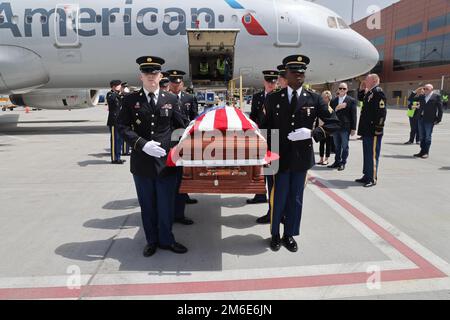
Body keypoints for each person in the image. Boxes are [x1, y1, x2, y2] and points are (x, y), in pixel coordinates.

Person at [263, 55, 340, 252]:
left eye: (302, 72)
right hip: (278, 157)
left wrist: (313, 133)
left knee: (295, 198)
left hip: (300, 157)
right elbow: (265, 128)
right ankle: (274, 234)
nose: (299, 76)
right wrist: (265, 154)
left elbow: (334, 122)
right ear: (286, 75)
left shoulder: (314, 98)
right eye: (295, 72)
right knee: (277, 197)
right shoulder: (273, 98)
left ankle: (289, 234)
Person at [117, 56, 189, 257]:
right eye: (147, 73)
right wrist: (142, 144)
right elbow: (122, 126)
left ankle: (167, 240)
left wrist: (173, 147)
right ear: (141, 76)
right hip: (142, 163)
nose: (151, 76)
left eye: (154, 73)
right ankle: (152, 241)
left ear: (160, 76)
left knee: (166, 206)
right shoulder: (130, 100)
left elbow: (182, 127)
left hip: (166, 163)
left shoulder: (171, 99)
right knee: (147, 206)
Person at [167, 70, 199, 225]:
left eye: (178, 82)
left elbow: (194, 119)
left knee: (182, 178)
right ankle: (168, 212)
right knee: (168, 180)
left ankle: (179, 214)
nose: (176, 85)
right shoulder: (163, 98)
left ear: (182, 84)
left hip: (184, 143)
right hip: (168, 144)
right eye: (173, 82)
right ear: (169, 84)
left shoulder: (189, 98)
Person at [247, 70, 278, 207]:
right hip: (260, 136)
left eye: (274, 81)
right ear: (264, 82)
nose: (271, 84)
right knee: (259, 167)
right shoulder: (257, 97)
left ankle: (272, 201)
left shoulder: (279, 96)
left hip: (275, 137)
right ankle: (260, 194)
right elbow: (253, 115)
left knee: (271, 171)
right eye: (269, 81)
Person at [355, 74, 387, 188]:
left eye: (367, 80)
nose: (365, 81)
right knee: (367, 154)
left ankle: (372, 178)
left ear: (374, 80)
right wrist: (362, 87)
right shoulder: (370, 92)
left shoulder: (378, 92)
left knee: (372, 155)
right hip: (366, 130)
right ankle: (366, 175)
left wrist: (379, 127)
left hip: (374, 130)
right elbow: (360, 98)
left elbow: (382, 112)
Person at [328, 82, 357, 171]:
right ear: (338, 89)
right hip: (336, 127)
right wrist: (337, 108)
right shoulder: (333, 101)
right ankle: (337, 161)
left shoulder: (351, 100)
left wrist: (353, 128)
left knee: (345, 146)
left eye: (344, 89)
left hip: (345, 127)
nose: (342, 90)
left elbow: (354, 115)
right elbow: (330, 114)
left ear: (347, 90)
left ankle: (343, 163)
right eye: (340, 88)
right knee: (337, 146)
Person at [410, 84, 443, 159]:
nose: (425, 90)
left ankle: (426, 152)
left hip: (430, 120)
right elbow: (411, 99)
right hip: (420, 119)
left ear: (431, 89)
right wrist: (416, 91)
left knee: (428, 137)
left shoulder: (436, 96)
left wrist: (438, 119)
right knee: (422, 136)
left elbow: (440, 109)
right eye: (424, 89)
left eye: (427, 89)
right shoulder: (422, 96)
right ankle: (422, 151)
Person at [106, 80, 125, 164]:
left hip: (120, 121)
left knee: (120, 140)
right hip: (113, 121)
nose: (120, 87)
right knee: (114, 140)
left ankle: (119, 157)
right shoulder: (110, 94)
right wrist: (116, 92)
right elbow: (111, 99)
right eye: (118, 85)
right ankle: (114, 158)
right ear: (113, 86)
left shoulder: (119, 94)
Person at [316, 91, 334, 166]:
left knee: (328, 144)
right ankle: (321, 159)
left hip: (328, 128)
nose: (325, 99)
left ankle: (326, 159)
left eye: (326, 97)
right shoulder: (320, 105)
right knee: (321, 144)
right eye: (323, 97)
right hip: (321, 127)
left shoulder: (331, 106)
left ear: (329, 98)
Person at [120, 82, 132, 156]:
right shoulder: (121, 95)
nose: (126, 88)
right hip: (123, 117)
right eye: (125, 87)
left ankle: (126, 150)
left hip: (128, 116)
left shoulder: (126, 95)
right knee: (125, 134)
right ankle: (125, 150)